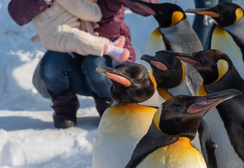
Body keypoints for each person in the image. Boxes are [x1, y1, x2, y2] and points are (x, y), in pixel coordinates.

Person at [35, 0, 157, 129]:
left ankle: (109, 107)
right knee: (52, 65)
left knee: (97, 66)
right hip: (70, 57)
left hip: (109, 55)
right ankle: (64, 106)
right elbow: (18, 9)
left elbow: (148, 8)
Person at [31, 0, 130, 64]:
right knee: (80, 40)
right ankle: (110, 48)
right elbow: (92, 14)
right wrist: (93, 7)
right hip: (61, 33)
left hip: (47, 38)